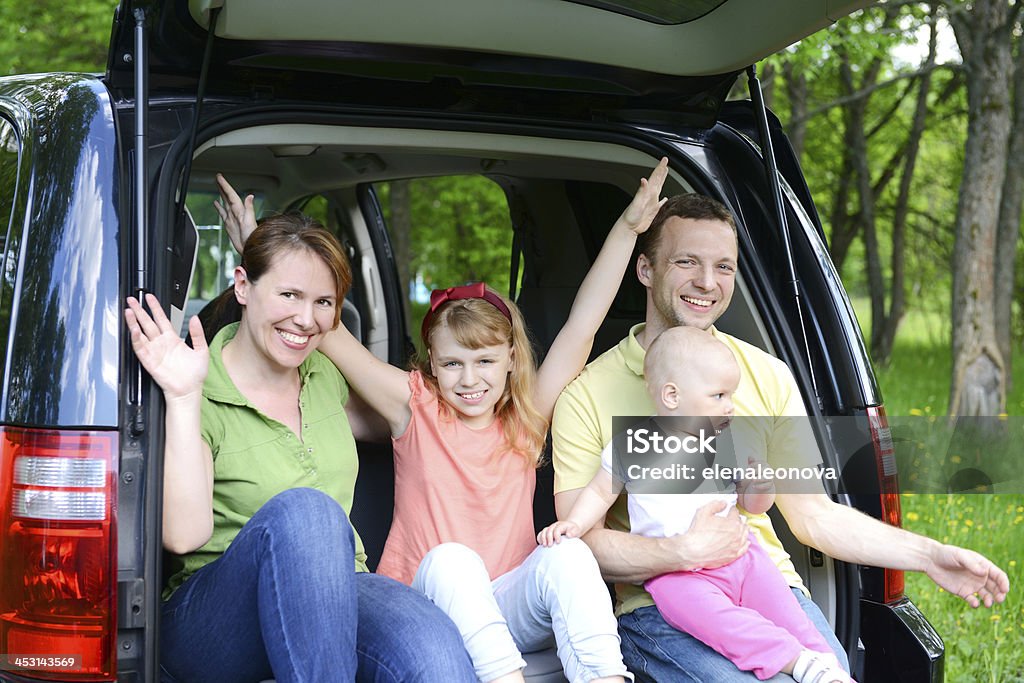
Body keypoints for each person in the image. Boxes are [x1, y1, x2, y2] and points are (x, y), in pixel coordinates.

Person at [213, 161, 672, 683]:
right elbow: (329, 330)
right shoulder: (416, 406)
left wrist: (629, 229)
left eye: (484, 363)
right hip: (427, 610)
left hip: (509, 606)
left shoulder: (526, 419)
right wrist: (255, 247)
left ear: (511, 363)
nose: (469, 380)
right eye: (452, 363)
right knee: (454, 560)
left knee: (567, 554)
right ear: (431, 365)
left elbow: (582, 325)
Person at [550, 193, 1011, 682]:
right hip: (662, 605)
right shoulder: (587, 394)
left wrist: (929, 555)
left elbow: (815, 515)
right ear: (645, 269)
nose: (707, 282)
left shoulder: (766, 375)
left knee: (831, 672)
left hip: (764, 581)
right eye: (687, 262)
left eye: (724, 267)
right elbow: (581, 547)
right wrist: (684, 551)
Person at [124, 215, 477, 682]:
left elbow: (409, 420)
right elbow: (184, 536)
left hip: (341, 586)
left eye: (323, 302)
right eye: (289, 295)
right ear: (243, 286)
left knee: (434, 653)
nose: (305, 319)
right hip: (214, 616)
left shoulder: (323, 378)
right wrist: (185, 396)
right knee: (309, 514)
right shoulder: (199, 385)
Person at [540, 327, 852, 682]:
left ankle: (828, 667)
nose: (730, 405)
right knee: (718, 622)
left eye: (730, 394)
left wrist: (760, 486)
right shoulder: (635, 443)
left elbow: (753, 506)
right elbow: (599, 492)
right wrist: (575, 525)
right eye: (718, 395)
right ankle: (795, 661)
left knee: (788, 613)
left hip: (744, 558)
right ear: (671, 395)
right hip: (675, 575)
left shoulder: (725, 440)